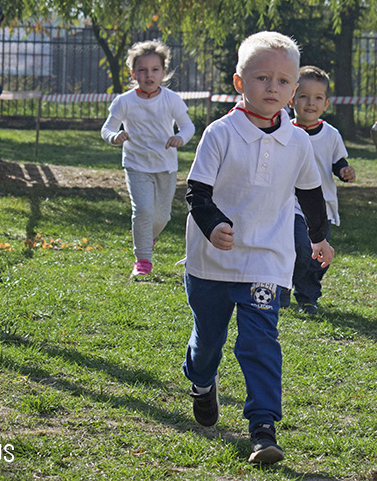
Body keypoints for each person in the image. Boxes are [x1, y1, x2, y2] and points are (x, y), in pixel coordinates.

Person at [182, 32, 334, 465]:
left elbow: (309, 195)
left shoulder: (298, 141)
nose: (273, 88)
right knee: (208, 340)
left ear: (294, 89)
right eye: (262, 77)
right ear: (239, 82)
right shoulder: (220, 133)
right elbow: (196, 193)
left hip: (267, 258)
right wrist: (214, 228)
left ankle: (263, 428)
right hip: (211, 259)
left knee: (260, 341)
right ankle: (200, 379)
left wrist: (320, 238)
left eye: (284, 81)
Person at [101, 40, 195, 277]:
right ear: (133, 73)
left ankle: (148, 237)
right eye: (142, 70)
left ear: (163, 73)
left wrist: (180, 138)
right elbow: (107, 129)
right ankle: (142, 261)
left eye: (155, 70)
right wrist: (115, 136)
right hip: (136, 165)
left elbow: (188, 127)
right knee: (143, 211)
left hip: (165, 166)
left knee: (162, 216)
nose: (148, 75)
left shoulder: (171, 99)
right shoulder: (124, 101)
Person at [280, 66, 355, 314]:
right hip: (291, 204)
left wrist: (344, 171)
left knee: (318, 256)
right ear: (291, 99)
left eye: (318, 98)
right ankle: (282, 289)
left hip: (323, 205)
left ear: (326, 103)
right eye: (303, 96)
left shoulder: (332, 135)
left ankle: (308, 297)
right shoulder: (284, 132)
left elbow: (338, 162)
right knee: (301, 247)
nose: (310, 103)